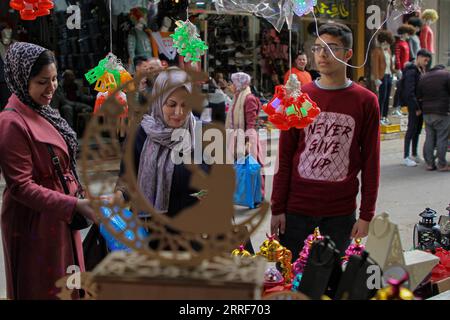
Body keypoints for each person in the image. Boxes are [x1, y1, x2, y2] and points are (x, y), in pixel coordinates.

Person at [271, 23, 380, 259]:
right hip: (296, 209)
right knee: (291, 284)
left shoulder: (366, 101)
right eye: (318, 48)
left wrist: (366, 214)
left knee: (331, 285)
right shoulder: (299, 97)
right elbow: (285, 155)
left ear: (348, 54)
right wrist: (277, 207)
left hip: (340, 212)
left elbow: (371, 161)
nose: (323, 54)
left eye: (332, 48)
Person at [0, 42, 97, 300]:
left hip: (60, 214)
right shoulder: (12, 123)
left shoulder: (43, 111)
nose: (52, 87)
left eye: (54, 79)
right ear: (22, 80)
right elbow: (21, 186)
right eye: (43, 82)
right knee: (45, 286)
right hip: (36, 223)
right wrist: (73, 205)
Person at [114, 67, 206, 218]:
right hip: (153, 231)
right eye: (171, 104)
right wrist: (118, 197)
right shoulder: (140, 135)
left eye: (185, 105)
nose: (179, 112)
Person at [225, 72, 265, 198]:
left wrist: (248, 144)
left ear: (239, 83)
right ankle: (245, 195)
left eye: (232, 83)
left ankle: (256, 195)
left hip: (248, 138)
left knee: (252, 167)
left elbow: (251, 123)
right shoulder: (237, 97)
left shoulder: (248, 99)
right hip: (239, 138)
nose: (230, 85)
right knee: (241, 167)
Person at [400, 49, 431, 167]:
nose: (426, 63)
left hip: (421, 104)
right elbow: (409, 91)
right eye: (425, 60)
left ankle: (414, 153)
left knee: (417, 130)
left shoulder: (421, 70)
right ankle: (406, 156)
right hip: (414, 105)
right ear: (418, 57)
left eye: (428, 61)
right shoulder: (411, 71)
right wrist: (416, 107)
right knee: (411, 129)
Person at [417, 64, 450, 171]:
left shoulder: (424, 77)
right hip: (442, 111)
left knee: (429, 137)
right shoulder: (446, 75)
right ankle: (442, 164)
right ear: (442, 68)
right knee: (442, 137)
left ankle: (430, 164)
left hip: (427, 112)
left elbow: (418, 95)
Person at [371, 30, 395, 125]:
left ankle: (385, 116)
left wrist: (394, 71)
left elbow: (390, 63)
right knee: (382, 97)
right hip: (382, 76)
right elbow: (375, 65)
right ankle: (379, 117)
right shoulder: (376, 51)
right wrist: (376, 78)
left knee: (387, 96)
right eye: (386, 42)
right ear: (383, 41)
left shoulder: (388, 50)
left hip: (388, 75)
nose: (387, 44)